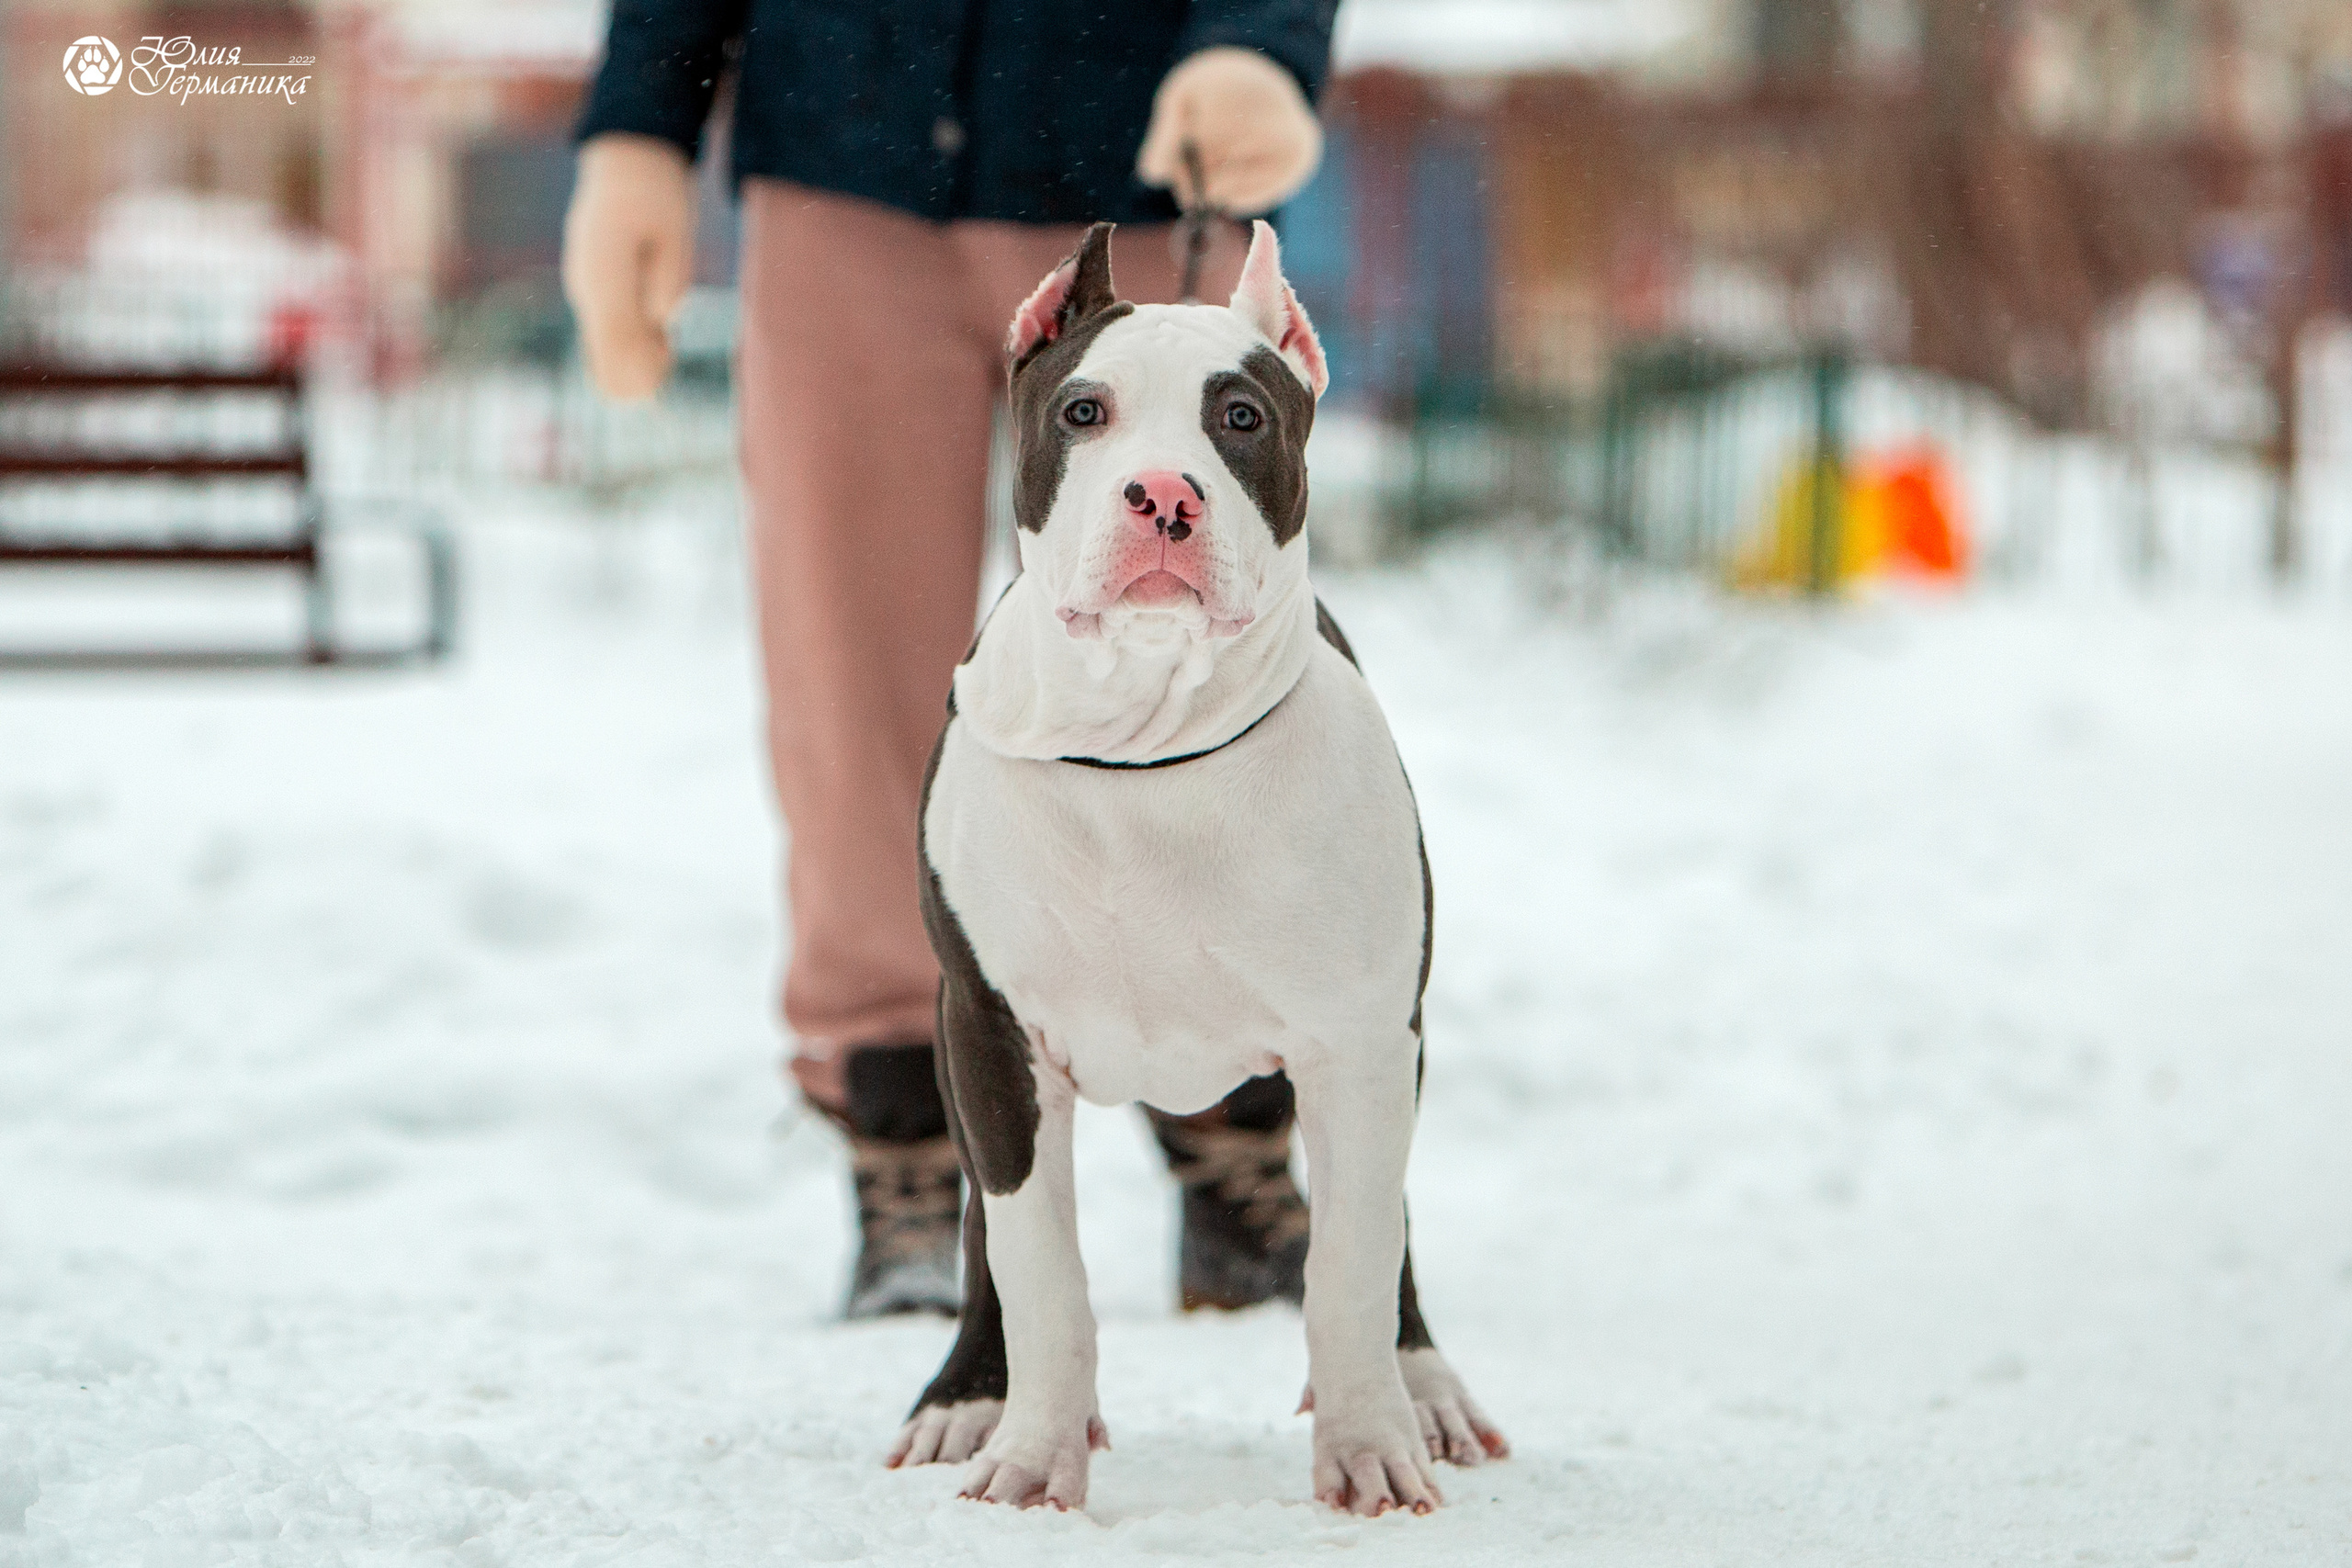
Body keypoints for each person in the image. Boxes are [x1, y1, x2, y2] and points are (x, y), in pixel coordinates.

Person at [565, 2, 1339, 1318]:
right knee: (851, 669)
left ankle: (1229, 1124)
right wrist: (639, 123)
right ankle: (904, 1131)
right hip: (845, 166)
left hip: (1143, 161)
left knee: (1191, 673)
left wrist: (1261, 41)